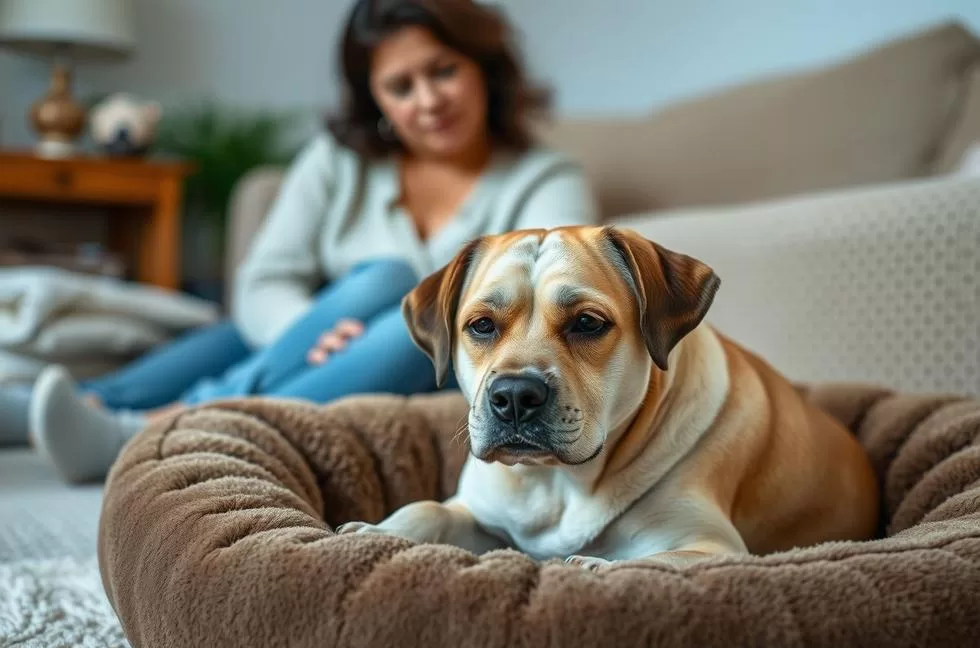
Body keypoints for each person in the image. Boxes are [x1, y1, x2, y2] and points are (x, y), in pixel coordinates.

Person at [2, 0, 598, 484]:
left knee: (405, 302)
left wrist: (354, 335)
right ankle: (41, 409)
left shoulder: (547, 180)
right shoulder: (338, 160)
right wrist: (312, 326)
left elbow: (542, 299)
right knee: (319, 301)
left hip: (424, 356)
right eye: (401, 86)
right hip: (308, 339)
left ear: (483, 71)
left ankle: (158, 429)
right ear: (378, 101)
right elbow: (262, 280)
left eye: (443, 71)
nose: (428, 100)